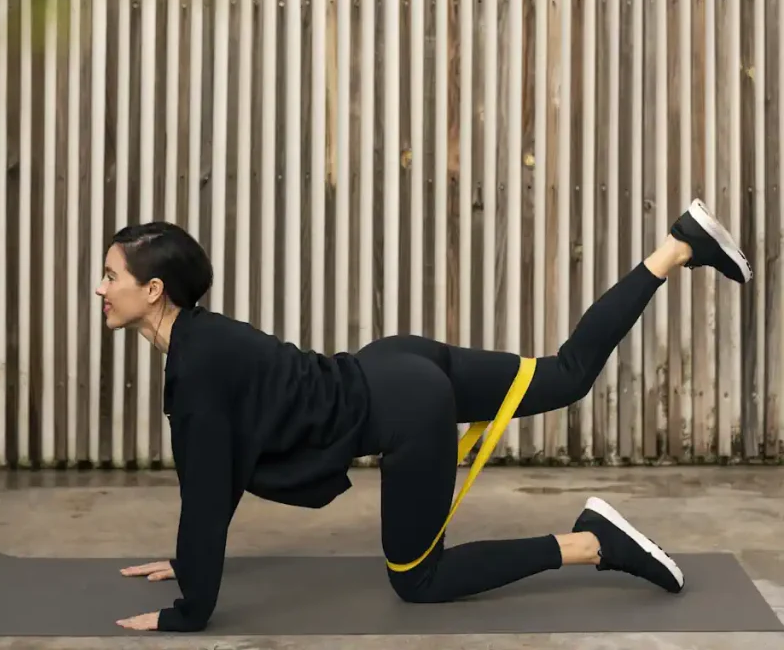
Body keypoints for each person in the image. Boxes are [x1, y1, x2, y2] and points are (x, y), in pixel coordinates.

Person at [102, 198, 752, 633]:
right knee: (565, 372)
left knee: (419, 580)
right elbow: (219, 474)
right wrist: (190, 560)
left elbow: (208, 491)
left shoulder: (195, 371)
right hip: (393, 361)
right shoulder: (205, 338)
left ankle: (591, 543)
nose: (101, 288)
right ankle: (675, 248)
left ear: (152, 289)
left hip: (406, 407)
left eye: (110, 275)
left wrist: (188, 610)